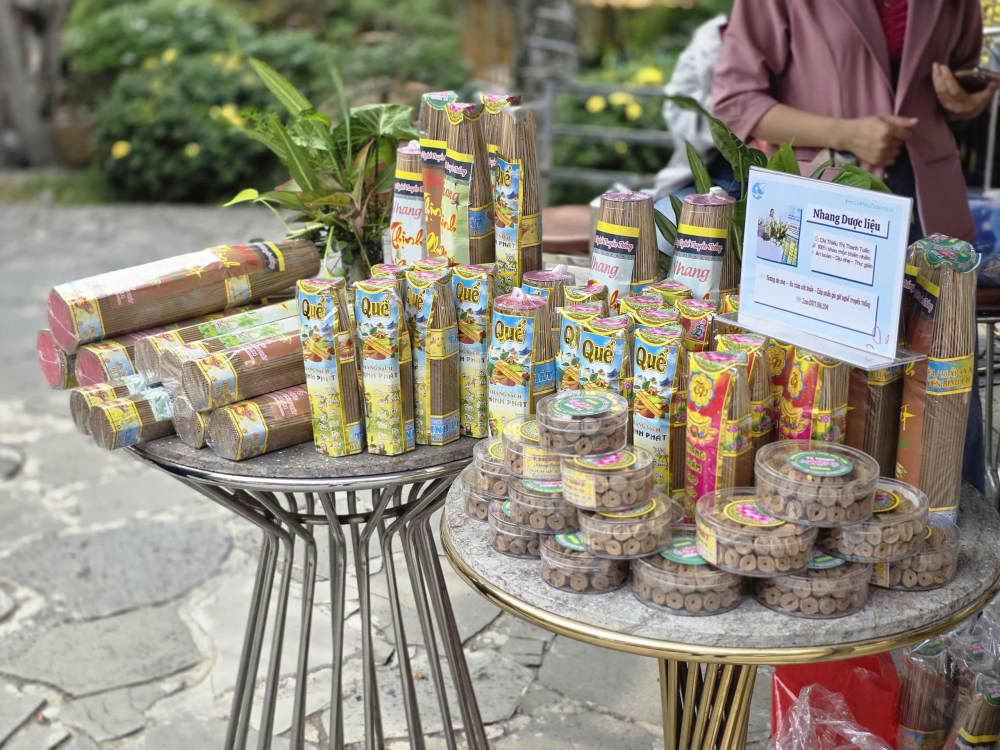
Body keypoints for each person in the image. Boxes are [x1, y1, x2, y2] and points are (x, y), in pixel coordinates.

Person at [712, 0, 993, 492]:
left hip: (932, 207)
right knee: (830, 393)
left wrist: (967, 100)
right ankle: (814, 517)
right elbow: (736, 101)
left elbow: (962, 73)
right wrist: (846, 133)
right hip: (829, 204)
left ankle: (950, 525)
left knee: (946, 394)